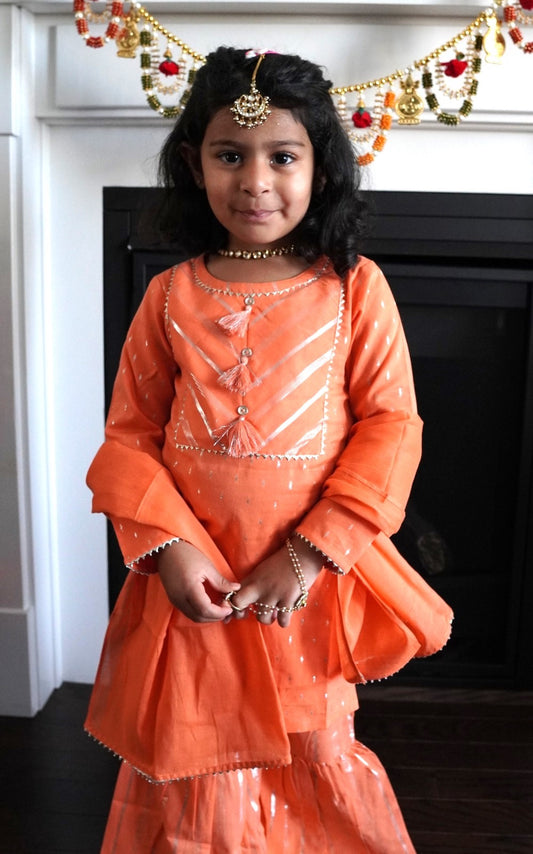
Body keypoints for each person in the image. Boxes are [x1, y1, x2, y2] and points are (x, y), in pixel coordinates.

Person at [85, 46, 453, 853]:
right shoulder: (171, 294)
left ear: (319, 167)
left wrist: (309, 555)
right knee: (195, 752)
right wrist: (172, 551)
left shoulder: (354, 289)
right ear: (194, 164)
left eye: (281, 156)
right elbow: (129, 440)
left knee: (309, 742)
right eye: (229, 155)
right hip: (198, 584)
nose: (255, 181)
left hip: (301, 584)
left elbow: (391, 428)